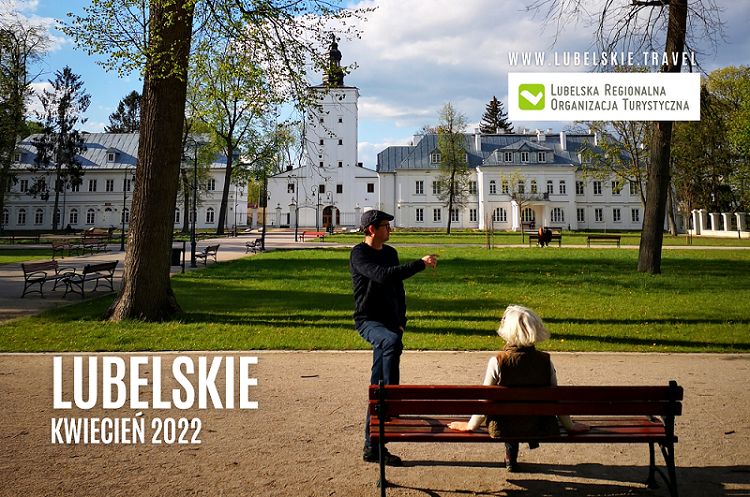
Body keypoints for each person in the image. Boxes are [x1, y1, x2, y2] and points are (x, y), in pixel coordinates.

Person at [448, 305, 588, 472]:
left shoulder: (497, 362)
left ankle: (510, 455)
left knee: (509, 410)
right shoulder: (545, 361)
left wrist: (471, 426)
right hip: (538, 425)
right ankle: (512, 453)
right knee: (518, 410)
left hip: (504, 426)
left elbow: (486, 400)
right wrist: (570, 426)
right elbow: (555, 399)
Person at [350, 209, 438, 466]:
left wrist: (401, 322)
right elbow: (382, 275)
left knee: (377, 384)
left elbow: (397, 289)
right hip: (368, 321)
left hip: (391, 325)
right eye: (386, 226)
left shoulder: (390, 253)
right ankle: (392, 400)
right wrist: (419, 264)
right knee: (389, 344)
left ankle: (372, 446)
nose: (390, 229)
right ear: (372, 229)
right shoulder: (359, 254)